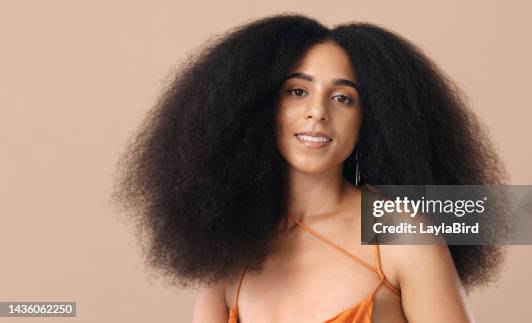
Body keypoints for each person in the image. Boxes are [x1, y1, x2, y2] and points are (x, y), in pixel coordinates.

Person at [113, 13, 508, 323]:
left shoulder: (399, 232)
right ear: (260, 108)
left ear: (370, 120)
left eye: (342, 98)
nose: (317, 112)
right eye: (297, 92)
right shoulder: (229, 238)